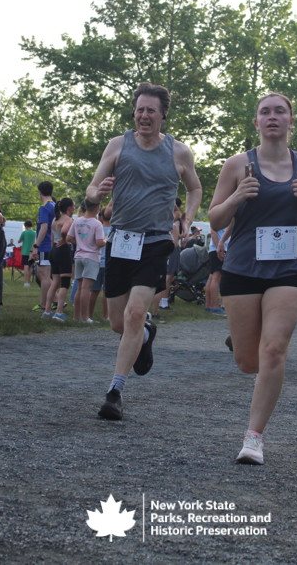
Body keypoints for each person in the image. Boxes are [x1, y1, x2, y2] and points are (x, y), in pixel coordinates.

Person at [209, 92, 297, 464]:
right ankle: (245, 340)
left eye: (280, 111)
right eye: (265, 112)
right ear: (257, 122)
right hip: (242, 269)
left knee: (274, 349)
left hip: (289, 271)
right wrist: (237, 198)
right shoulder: (237, 165)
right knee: (249, 362)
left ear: (291, 120)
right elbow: (215, 218)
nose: (273, 117)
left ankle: (253, 438)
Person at [86, 83, 201, 421]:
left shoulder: (178, 152)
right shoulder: (117, 145)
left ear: (163, 115)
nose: (144, 115)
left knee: (136, 312)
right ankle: (147, 334)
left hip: (156, 241)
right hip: (121, 240)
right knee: (118, 324)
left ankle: (114, 392)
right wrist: (97, 192)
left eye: (151, 110)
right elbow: (91, 190)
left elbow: (194, 187)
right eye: (139, 110)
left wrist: (187, 217)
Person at [67, 199, 105, 323]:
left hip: (79, 256)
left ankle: (76, 316)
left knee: (79, 288)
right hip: (92, 257)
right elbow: (99, 242)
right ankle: (85, 317)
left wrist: (80, 243)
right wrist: (106, 240)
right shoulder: (97, 224)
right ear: (97, 208)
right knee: (86, 289)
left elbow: (69, 238)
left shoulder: (77, 221)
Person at [43, 197, 75, 322]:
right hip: (63, 250)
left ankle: (47, 310)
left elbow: (52, 238)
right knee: (65, 282)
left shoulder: (55, 219)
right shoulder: (68, 219)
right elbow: (65, 230)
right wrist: (65, 239)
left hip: (54, 250)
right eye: (73, 206)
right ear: (69, 207)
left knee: (55, 282)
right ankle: (59, 312)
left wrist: (54, 248)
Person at [29, 181, 56, 312]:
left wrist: (36, 245)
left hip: (45, 245)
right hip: (52, 244)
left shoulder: (44, 207)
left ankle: (45, 304)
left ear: (40, 192)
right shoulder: (55, 205)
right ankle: (56, 299)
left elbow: (44, 228)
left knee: (44, 275)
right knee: (44, 274)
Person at [18, 220, 37, 287]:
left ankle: (26, 282)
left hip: (25, 251)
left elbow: (19, 241)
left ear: (25, 226)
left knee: (26, 266)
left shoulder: (24, 232)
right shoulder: (35, 232)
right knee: (31, 266)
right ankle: (29, 281)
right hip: (32, 251)